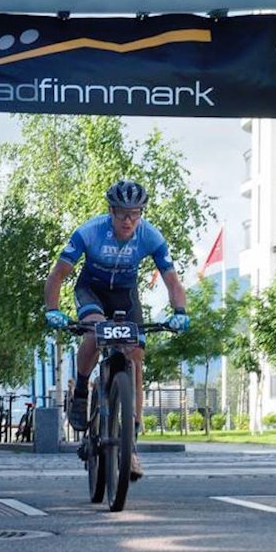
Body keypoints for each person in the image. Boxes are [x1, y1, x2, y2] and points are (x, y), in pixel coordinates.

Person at [44, 179, 190, 480]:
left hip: (125, 295)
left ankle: (130, 443)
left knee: (135, 353)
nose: (128, 220)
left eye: (135, 214)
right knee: (95, 333)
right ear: (111, 211)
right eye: (122, 213)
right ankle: (83, 391)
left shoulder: (150, 236)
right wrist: (53, 309)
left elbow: (172, 281)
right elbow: (58, 273)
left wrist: (180, 312)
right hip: (92, 292)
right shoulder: (89, 232)